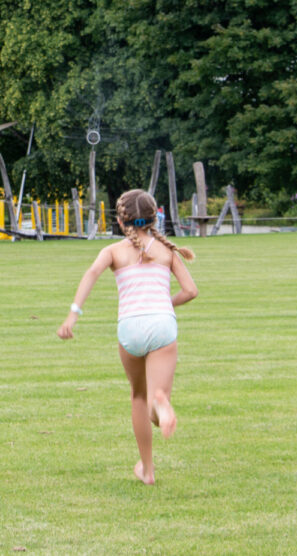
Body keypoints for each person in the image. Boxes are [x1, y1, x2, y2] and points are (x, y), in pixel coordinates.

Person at [57, 189, 198, 485]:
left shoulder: (113, 252)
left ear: (121, 222)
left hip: (129, 328)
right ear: (154, 216)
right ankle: (161, 403)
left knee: (137, 395)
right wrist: (161, 304)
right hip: (161, 325)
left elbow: (91, 274)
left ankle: (147, 470)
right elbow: (191, 291)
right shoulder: (167, 252)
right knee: (156, 401)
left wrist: (73, 314)